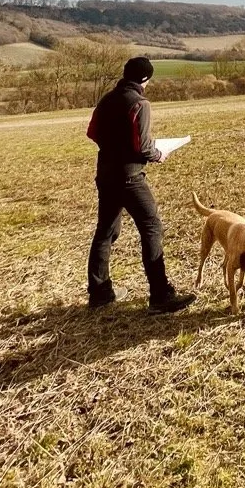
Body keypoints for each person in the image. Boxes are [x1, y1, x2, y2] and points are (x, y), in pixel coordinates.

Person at [86, 56, 195, 313]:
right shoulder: (140, 103)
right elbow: (143, 147)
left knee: (105, 231)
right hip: (130, 177)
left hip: (105, 174)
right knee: (152, 227)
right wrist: (159, 154)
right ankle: (160, 294)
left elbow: (92, 132)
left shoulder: (106, 99)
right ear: (146, 79)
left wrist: (114, 145)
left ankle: (100, 293)